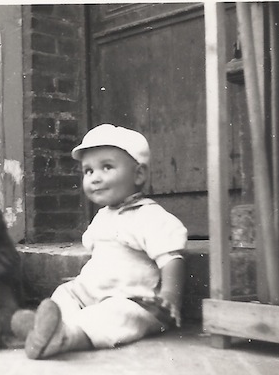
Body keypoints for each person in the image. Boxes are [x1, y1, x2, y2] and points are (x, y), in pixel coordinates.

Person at [12, 123, 188, 359]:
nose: (95, 178)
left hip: (135, 300)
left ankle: (66, 336)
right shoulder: (102, 217)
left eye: (106, 167)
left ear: (138, 174)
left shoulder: (150, 216)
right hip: (93, 295)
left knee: (117, 314)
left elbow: (171, 257)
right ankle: (46, 328)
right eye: (88, 171)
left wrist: (170, 295)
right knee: (66, 293)